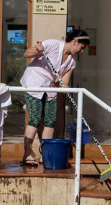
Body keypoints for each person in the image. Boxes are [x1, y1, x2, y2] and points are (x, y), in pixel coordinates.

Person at [19, 30, 90, 166]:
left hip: (50, 87)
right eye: (82, 48)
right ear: (75, 42)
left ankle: (45, 155)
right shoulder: (52, 44)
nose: (82, 51)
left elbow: (64, 82)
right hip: (34, 82)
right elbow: (26, 53)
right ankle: (27, 154)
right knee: (35, 117)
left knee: (51, 120)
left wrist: (65, 88)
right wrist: (37, 51)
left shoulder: (72, 61)